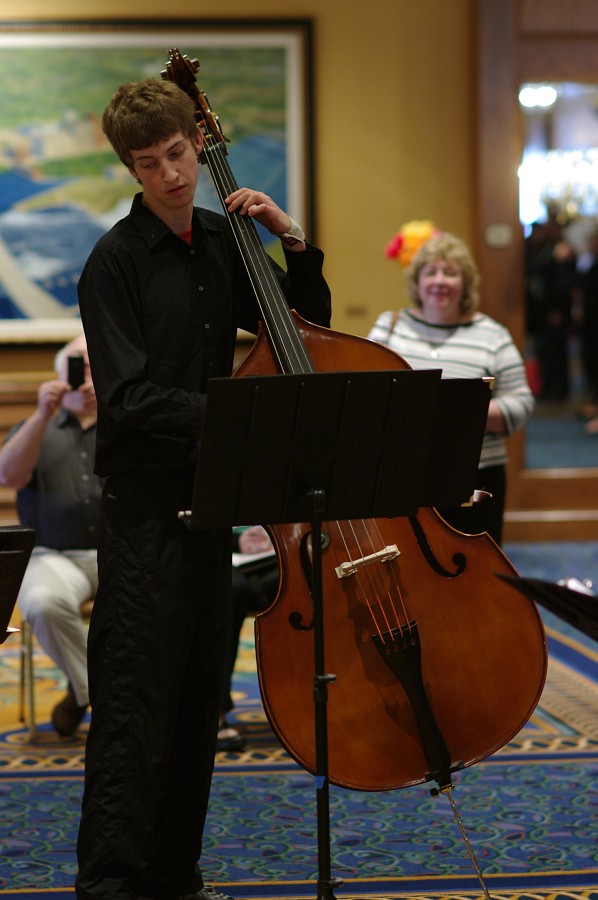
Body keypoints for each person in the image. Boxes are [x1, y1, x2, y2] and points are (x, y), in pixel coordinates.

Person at [75, 76, 331, 900]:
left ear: (196, 143)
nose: (173, 176)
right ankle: (113, 885)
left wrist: (289, 238)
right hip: (144, 511)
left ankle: (175, 876)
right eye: (149, 165)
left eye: (180, 155)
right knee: (132, 710)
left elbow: (302, 328)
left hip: (211, 502)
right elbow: (130, 401)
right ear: (132, 170)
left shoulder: (224, 240)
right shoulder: (113, 262)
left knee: (194, 707)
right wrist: (238, 417)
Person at [369, 230, 534, 545]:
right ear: (417, 281)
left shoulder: (492, 335)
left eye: (451, 272)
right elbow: (371, 394)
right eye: (430, 272)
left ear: (466, 283)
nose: (439, 281)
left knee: (474, 570)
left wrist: (463, 410)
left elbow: (522, 402)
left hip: (475, 476)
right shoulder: (389, 326)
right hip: (401, 474)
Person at [0, 334, 101, 737]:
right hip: (52, 556)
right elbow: (8, 476)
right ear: (60, 374)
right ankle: (96, 695)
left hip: (122, 551)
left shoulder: (126, 423)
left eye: (98, 367)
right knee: (41, 602)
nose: (90, 377)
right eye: (81, 367)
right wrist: (43, 413)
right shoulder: (35, 426)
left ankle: (78, 696)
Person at [218, 526, 278, 752]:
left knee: (317, 573)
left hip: (281, 552)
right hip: (227, 553)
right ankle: (216, 713)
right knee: (228, 589)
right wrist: (236, 539)